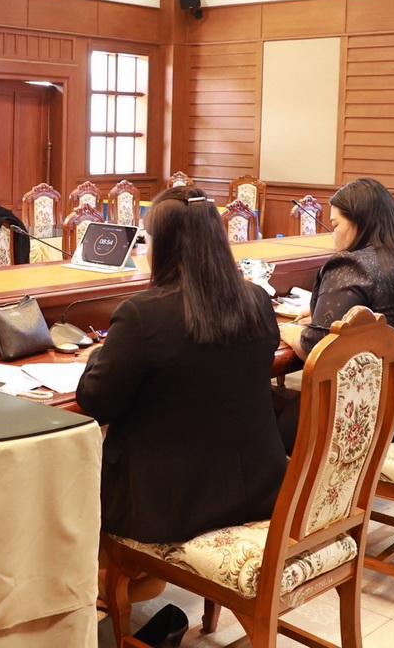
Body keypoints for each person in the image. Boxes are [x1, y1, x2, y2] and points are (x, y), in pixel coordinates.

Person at [77, 186, 285, 545]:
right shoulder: (256, 300)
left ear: (164, 246)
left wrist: (98, 355)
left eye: (148, 239)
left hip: (167, 508)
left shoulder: (142, 314)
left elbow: (96, 401)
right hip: (257, 491)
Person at [277, 178, 394, 452]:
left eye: (335, 225)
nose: (333, 235)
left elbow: (316, 348)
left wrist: (291, 332)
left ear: (358, 222)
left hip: (364, 413)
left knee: (266, 423)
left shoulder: (351, 265)